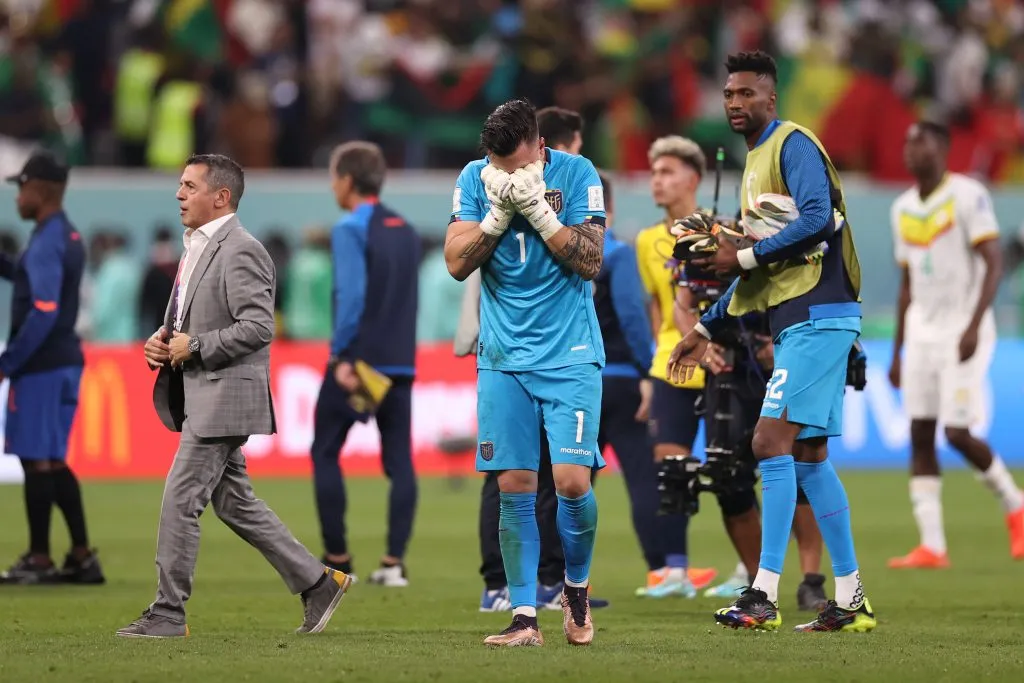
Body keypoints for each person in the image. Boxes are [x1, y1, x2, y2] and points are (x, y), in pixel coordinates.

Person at [668, 50, 877, 633]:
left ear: (771, 98)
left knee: (767, 441)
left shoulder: (793, 145)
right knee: (808, 457)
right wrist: (704, 327)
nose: (735, 103)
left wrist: (743, 250)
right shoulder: (758, 160)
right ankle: (850, 596)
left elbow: (819, 216)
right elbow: (754, 271)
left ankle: (762, 595)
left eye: (746, 93)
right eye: (729, 94)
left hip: (818, 312)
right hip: (802, 318)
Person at [117, 154, 352, 638]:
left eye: (189, 186)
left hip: (224, 397)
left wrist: (197, 346)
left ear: (220, 196)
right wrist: (163, 342)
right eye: (179, 185)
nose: (178, 194)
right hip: (202, 392)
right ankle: (317, 582)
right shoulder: (196, 247)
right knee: (234, 504)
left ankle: (167, 612)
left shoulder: (241, 248)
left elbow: (259, 326)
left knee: (179, 501)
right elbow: (189, 321)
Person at [446, 99, 605, 647]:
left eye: (516, 164)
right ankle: (522, 617)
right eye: (498, 165)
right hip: (502, 357)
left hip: (570, 354)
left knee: (571, 482)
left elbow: (589, 261)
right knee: (514, 485)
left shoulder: (578, 173)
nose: (507, 176)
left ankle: (576, 587)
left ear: (540, 146)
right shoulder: (474, 178)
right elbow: (456, 262)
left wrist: (539, 212)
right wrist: (496, 217)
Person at [888, 121, 1024, 568]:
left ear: (943, 147)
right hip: (922, 334)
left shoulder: (967, 195)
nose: (912, 150)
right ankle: (932, 546)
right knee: (920, 433)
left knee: (957, 433)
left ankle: (1015, 504)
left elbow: (993, 260)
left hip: (963, 331)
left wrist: (973, 323)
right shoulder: (902, 207)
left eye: (921, 142)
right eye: (907, 144)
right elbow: (906, 283)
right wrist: (896, 350)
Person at [310, 142, 421, 585]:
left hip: (361, 364)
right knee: (400, 463)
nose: (332, 185)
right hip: (401, 364)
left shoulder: (350, 228)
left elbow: (352, 297)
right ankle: (394, 563)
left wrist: (343, 355)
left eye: (334, 177)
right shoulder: (407, 229)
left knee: (325, 451)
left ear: (349, 181)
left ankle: (338, 557)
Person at [0, 152, 103, 586]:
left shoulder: (46, 240)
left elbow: (42, 309)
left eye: (21, 187)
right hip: (61, 359)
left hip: (42, 364)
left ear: (38, 190)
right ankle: (81, 556)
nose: (17, 196)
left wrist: (9, 362)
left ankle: (41, 559)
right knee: (50, 459)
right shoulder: (64, 234)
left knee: (38, 461)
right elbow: (32, 281)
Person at [633, 136, 718, 597]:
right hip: (671, 366)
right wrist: (651, 369)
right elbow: (656, 309)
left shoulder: (718, 231)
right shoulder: (647, 241)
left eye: (666, 172)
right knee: (671, 467)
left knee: (734, 472)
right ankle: (677, 572)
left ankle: (753, 571)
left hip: (721, 362)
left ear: (693, 179)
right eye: (653, 173)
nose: (657, 181)